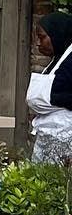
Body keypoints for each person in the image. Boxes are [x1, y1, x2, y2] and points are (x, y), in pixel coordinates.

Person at [27, 11, 72, 164]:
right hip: (48, 135)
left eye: (42, 37)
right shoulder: (57, 59)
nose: (39, 43)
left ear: (58, 33)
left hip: (64, 136)